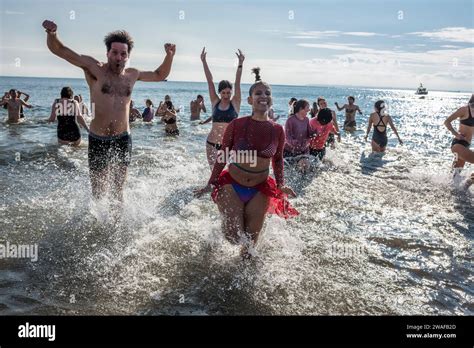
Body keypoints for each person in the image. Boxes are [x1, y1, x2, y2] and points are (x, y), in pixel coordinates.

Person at [42, 19, 175, 202]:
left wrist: (169, 56)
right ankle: (98, 227)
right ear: (107, 53)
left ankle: (116, 227)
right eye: (114, 53)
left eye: (123, 53)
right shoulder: (94, 69)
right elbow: (61, 51)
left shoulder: (132, 75)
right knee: (98, 192)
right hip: (98, 139)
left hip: (122, 138)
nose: (118, 57)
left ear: (128, 56)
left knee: (117, 191)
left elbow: (160, 75)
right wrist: (52, 34)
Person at [194, 68, 298, 259]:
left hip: (260, 189)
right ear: (250, 100)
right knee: (233, 237)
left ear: (272, 100)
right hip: (232, 185)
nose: (263, 96)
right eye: (258, 93)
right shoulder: (237, 124)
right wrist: (211, 181)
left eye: (267, 93)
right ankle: (218, 234)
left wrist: (281, 184)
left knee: (250, 244)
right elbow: (223, 154)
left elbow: (277, 160)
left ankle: (242, 279)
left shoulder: (277, 130)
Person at [199, 47, 244, 168]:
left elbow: (237, 82)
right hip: (211, 143)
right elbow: (210, 81)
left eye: (228, 93)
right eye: (223, 93)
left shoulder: (235, 103)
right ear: (219, 92)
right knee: (213, 174)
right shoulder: (215, 102)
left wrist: (240, 64)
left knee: (229, 174)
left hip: (228, 146)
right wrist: (204, 62)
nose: (226, 95)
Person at [283, 99, 316, 173]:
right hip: (289, 151)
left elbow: (309, 132)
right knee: (290, 173)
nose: (309, 110)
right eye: (307, 107)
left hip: (303, 150)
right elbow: (287, 137)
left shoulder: (307, 120)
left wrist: (314, 133)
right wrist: (295, 143)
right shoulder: (290, 120)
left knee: (305, 169)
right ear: (301, 109)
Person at [445, 94, 474, 172]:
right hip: (458, 144)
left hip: (466, 145)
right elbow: (447, 122)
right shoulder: (464, 110)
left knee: (455, 175)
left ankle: (444, 184)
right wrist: (456, 134)